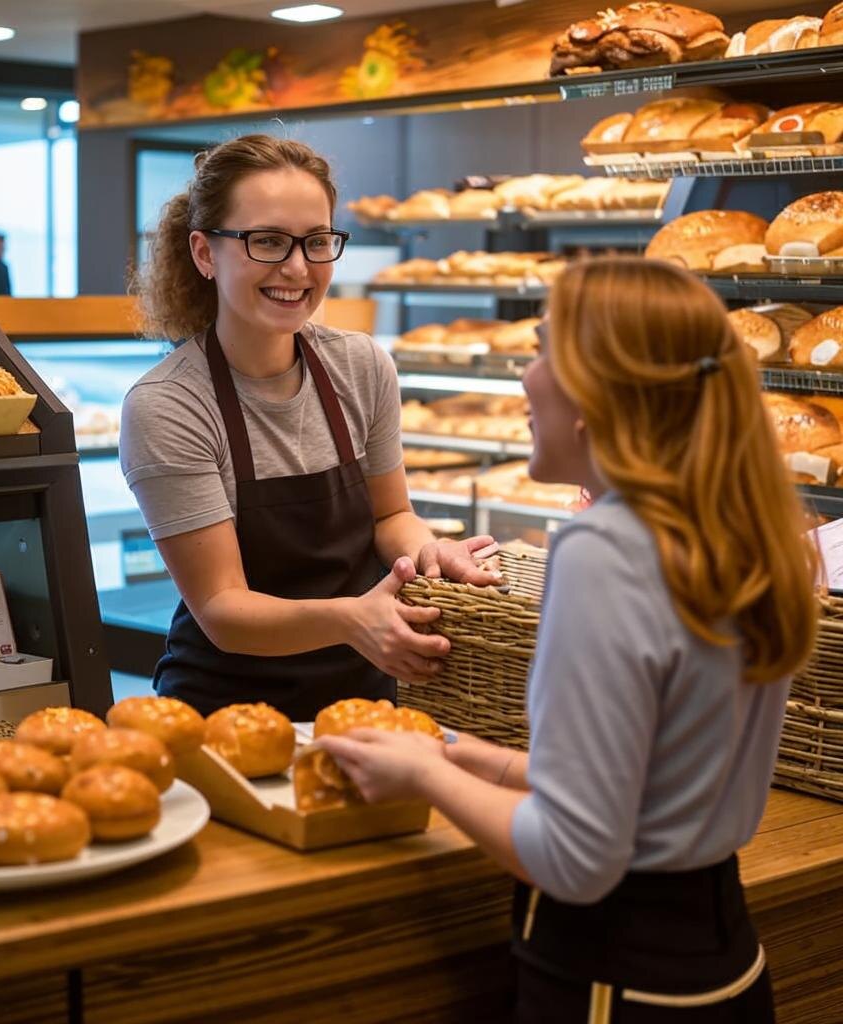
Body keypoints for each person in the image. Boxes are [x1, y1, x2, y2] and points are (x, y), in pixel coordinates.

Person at [318, 258, 819, 1022]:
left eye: (546, 349)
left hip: (613, 981)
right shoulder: (737, 531)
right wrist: (461, 752)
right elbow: (650, 783)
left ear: (594, 394)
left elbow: (574, 857)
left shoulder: (604, 549)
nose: (525, 375)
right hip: (722, 966)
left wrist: (427, 775)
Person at [120, 134, 498, 720]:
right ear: (203, 253)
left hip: (365, 699)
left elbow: (390, 517)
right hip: (226, 717)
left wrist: (428, 554)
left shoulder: (360, 364)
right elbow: (223, 609)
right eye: (267, 241)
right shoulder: (170, 405)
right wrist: (353, 620)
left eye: (317, 242)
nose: (297, 268)